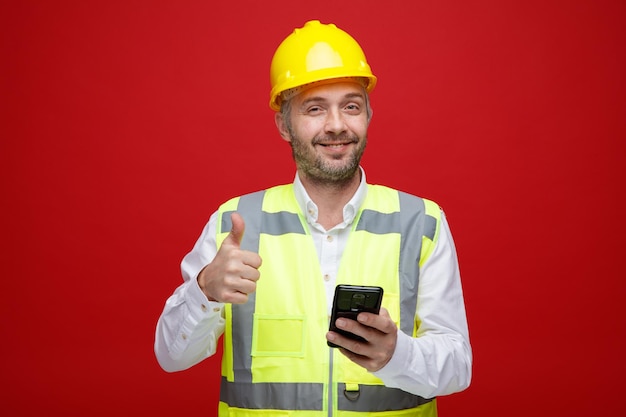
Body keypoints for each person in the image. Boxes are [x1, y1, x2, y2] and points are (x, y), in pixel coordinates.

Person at [155, 20, 472, 417]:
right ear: (284, 125)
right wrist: (205, 291)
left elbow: (458, 367)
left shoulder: (422, 223)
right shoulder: (233, 226)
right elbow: (170, 356)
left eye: (351, 106)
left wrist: (397, 354)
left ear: (368, 116)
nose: (337, 124)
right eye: (315, 108)